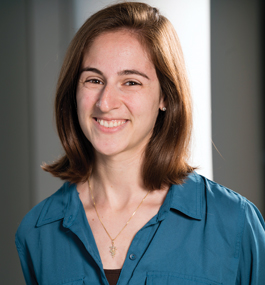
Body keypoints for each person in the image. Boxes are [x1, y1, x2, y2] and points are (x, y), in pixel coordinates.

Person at [15, 2, 265, 285]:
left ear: (165, 97)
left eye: (131, 82)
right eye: (94, 80)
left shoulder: (234, 222)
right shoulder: (37, 232)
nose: (105, 102)